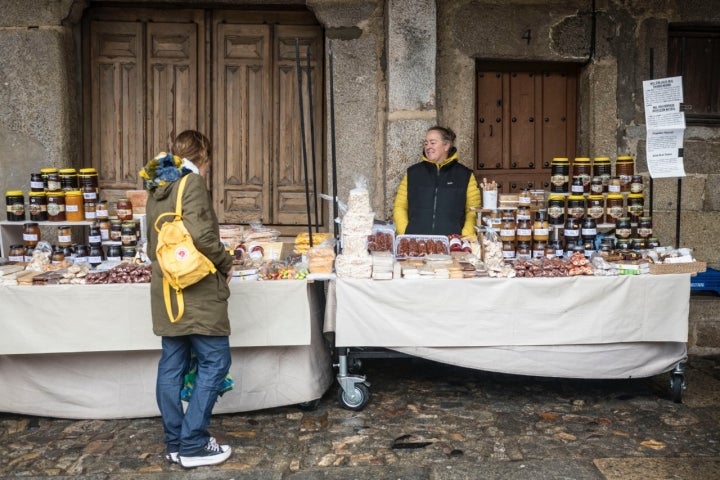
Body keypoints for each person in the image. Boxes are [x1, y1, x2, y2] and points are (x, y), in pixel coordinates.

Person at [141, 130, 235, 468]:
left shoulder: (156, 188)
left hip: (167, 287)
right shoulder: (191, 184)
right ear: (203, 157)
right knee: (215, 361)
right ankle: (193, 443)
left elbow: (152, 248)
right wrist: (226, 262)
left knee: (172, 363)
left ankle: (175, 442)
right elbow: (203, 237)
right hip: (195, 287)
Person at [393, 126, 480, 237]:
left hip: (451, 244)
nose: (428, 147)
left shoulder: (465, 175)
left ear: (446, 146)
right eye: (426, 143)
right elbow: (400, 206)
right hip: (416, 242)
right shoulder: (413, 173)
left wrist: (463, 237)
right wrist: (405, 233)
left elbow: (473, 210)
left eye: (432, 143)